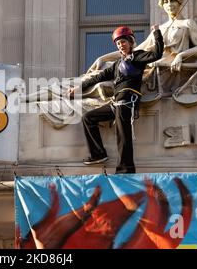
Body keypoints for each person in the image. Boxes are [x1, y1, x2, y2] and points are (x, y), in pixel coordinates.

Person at [68, 25, 164, 174]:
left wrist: (157, 33)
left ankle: (126, 169)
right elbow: (98, 77)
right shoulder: (117, 65)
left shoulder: (137, 57)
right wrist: (78, 89)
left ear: (131, 42)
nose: (121, 45)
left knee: (122, 135)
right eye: (118, 44)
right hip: (115, 103)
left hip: (127, 102)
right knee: (89, 118)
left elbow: (157, 54)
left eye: (124, 42)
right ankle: (98, 154)